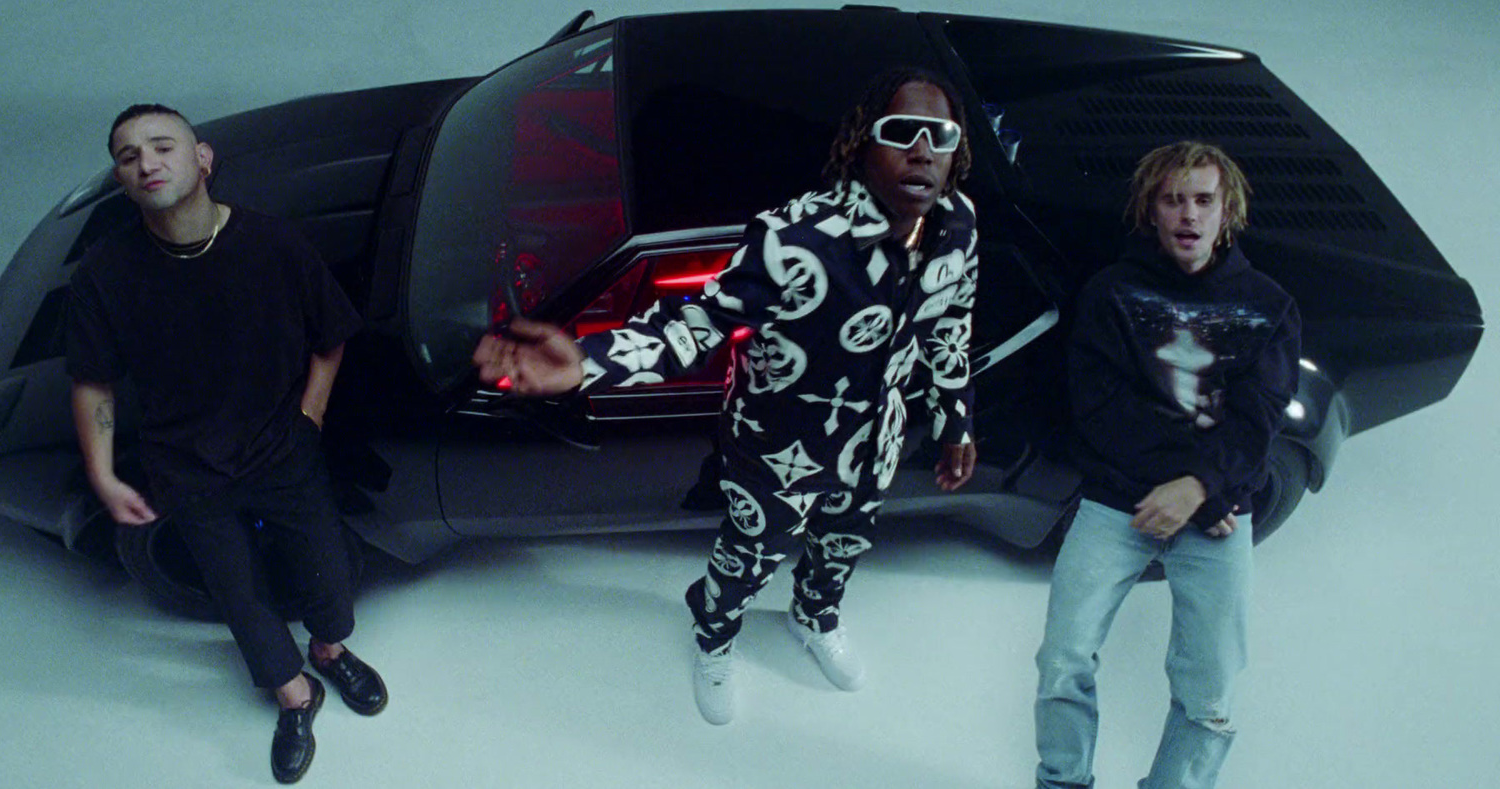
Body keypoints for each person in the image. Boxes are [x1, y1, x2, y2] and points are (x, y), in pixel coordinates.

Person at [473, 67, 980, 725]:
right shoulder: (794, 238)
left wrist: (954, 421)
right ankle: (713, 637)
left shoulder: (959, 226)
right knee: (746, 558)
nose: (921, 150)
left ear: (957, 147)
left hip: (871, 446)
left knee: (843, 543)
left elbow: (951, 327)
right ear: (863, 144)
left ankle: (814, 616)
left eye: (938, 135)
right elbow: (699, 323)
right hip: (776, 450)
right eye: (901, 132)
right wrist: (590, 361)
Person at [65, 104, 388, 783]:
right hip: (187, 470)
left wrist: (309, 419)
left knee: (329, 578)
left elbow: (332, 336)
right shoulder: (105, 270)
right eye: (128, 156)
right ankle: (294, 695)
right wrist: (102, 474)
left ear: (202, 159)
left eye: (161, 146)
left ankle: (329, 653)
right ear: (122, 179)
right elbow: (93, 381)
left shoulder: (274, 244)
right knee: (238, 595)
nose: (146, 162)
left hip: (283, 450)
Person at [1034, 141, 1301, 788]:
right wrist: (1193, 485)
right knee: (1063, 659)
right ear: (1149, 210)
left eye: (1203, 199)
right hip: (1117, 502)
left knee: (1209, 688)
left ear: (1226, 210)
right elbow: (1100, 410)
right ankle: (1062, 781)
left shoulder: (1268, 305)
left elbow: (1258, 419)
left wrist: (1203, 491)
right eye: (1172, 199)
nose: (1188, 214)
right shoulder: (1111, 293)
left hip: (1216, 515)